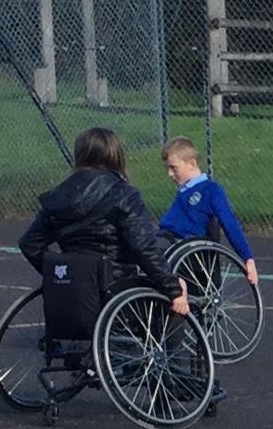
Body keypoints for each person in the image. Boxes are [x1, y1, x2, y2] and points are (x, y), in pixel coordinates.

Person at [21, 127, 193, 326]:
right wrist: (173, 289)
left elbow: (29, 244)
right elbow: (143, 247)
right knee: (176, 295)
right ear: (115, 155)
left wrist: (62, 274)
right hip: (117, 291)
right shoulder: (123, 194)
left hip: (74, 291)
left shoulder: (58, 197)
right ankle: (172, 346)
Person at [155, 138, 259, 286]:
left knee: (148, 250)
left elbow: (230, 223)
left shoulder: (210, 190)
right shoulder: (184, 191)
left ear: (192, 164)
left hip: (184, 246)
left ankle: (176, 288)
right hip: (166, 239)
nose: (170, 174)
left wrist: (248, 258)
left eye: (174, 168)